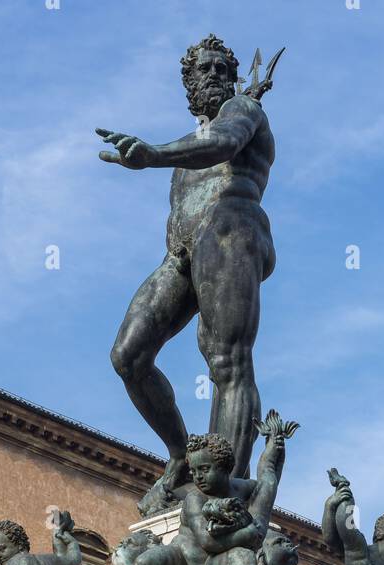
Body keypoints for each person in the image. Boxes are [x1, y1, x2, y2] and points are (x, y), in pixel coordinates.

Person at [97, 34, 279, 486]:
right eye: (206, 68)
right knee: (129, 355)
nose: (215, 74)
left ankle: (225, 490)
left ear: (235, 79)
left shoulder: (245, 112)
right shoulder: (187, 148)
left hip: (230, 230)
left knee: (226, 361)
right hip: (182, 251)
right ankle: (181, 456)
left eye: (223, 68)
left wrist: (153, 154)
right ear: (190, 83)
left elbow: (222, 143)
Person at [101, 411, 297, 565]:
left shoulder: (244, 489)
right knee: (143, 563)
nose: (198, 477)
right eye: (194, 471)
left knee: (243, 557)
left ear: (225, 467)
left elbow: (268, 480)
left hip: (213, 563)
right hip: (183, 559)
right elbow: (207, 542)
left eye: (204, 469)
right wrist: (247, 534)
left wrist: (275, 445)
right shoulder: (195, 498)